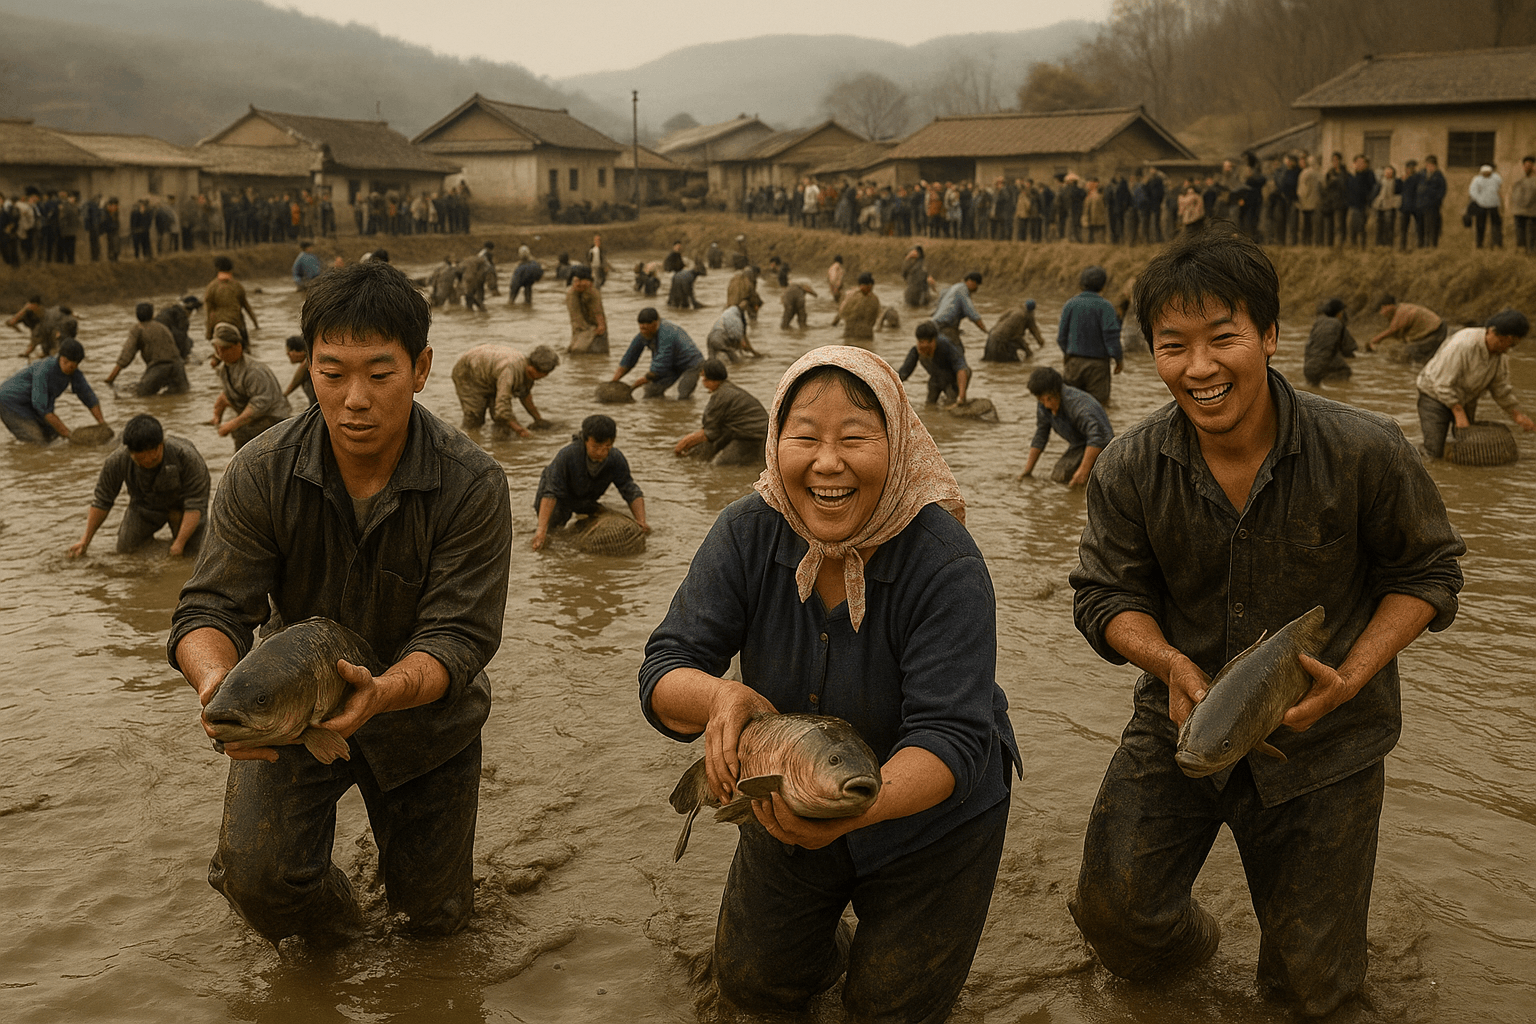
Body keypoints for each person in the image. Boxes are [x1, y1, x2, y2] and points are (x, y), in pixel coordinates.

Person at [1067, 225, 1466, 1018]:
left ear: (1270, 336)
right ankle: (1196, 959)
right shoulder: (1129, 465)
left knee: (1314, 992)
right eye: (1173, 346)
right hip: (1183, 721)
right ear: (1151, 352)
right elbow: (1105, 596)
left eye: (1223, 339)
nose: (1200, 367)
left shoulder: (1366, 449)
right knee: (1116, 919)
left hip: (1329, 738)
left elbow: (1429, 573)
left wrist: (1352, 676)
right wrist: (1171, 664)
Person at [640, 346, 1019, 1022]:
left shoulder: (947, 564)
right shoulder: (747, 534)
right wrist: (720, 695)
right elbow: (665, 668)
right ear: (775, 442)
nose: (827, 463)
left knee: (887, 1009)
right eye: (805, 437)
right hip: (791, 792)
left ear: (897, 445)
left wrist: (855, 810)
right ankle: (831, 942)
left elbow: (953, 736)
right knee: (754, 986)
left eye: (854, 439)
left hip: (933, 821)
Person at [170, 259, 511, 948]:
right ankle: (341, 931)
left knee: (433, 929)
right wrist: (215, 681)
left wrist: (384, 691)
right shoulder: (259, 471)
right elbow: (209, 610)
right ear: (308, 369)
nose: (355, 398)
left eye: (379, 374)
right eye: (333, 373)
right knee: (256, 879)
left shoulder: (473, 484)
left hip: (426, 719)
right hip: (293, 710)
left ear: (420, 369)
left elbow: (460, 636)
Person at [67, 414, 208, 558]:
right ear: (129, 452)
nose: (147, 462)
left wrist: (179, 545)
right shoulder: (117, 460)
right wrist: (85, 541)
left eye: (153, 459)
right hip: (145, 506)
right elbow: (102, 500)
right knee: (127, 551)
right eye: (141, 461)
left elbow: (196, 505)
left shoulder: (187, 457)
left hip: (183, 508)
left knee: (196, 554)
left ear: (161, 445)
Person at [1415, 309, 1536, 458]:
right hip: (1433, 395)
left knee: (1468, 446)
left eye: (1512, 345)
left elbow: (1500, 389)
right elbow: (1442, 384)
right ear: (1493, 333)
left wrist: (1517, 415)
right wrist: (1459, 413)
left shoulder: (1500, 355)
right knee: (1433, 450)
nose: (1508, 349)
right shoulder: (1463, 344)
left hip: (1465, 398)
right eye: (1509, 343)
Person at [531, 414, 649, 551]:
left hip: (585, 498)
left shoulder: (615, 458)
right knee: (553, 533)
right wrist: (540, 531)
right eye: (596, 446)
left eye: (607, 446)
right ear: (585, 440)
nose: (601, 452)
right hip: (559, 499)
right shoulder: (567, 455)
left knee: (604, 519)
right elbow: (550, 493)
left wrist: (642, 522)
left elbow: (630, 489)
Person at [1016, 365, 1113, 487]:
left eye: (1049, 399)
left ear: (1057, 392)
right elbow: (1041, 436)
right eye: (1041, 400)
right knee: (1059, 477)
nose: (1046, 405)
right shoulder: (1043, 406)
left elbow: (1098, 438)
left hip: (1105, 447)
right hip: (1080, 445)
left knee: (1095, 482)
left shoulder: (1080, 405)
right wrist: (1027, 471)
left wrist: (1083, 471)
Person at [0, 337, 107, 443]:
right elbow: (41, 407)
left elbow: (88, 396)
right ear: (61, 358)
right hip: (10, 401)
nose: (70, 368)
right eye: (68, 364)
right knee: (36, 440)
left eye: (74, 366)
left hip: (31, 402)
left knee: (53, 437)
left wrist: (102, 424)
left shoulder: (74, 372)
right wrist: (68, 434)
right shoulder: (44, 370)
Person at [209, 322, 291, 450]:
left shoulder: (254, 371)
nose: (220, 353)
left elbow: (259, 405)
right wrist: (216, 416)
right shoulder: (225, 369)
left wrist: (232, 424)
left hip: (274, 419)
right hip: (254, 420)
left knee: (241, 431)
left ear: (238, 346)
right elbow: (226, 395)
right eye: (217, 348)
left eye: (225, 348)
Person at [673, 358, 768, 466]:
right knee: (700, 453)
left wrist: (682, 445)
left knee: (718, 466)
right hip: (746, 432)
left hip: (753, 438)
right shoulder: (726, 389)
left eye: (704, 376)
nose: (702, 380)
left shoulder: (721, 396)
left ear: (712, 378)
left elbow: (709, 433)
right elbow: (714, 431)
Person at [451, 343, 558, 439]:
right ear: (534, 369)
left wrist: (538, 420)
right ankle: (467, 441)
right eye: (546, 373)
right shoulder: (510, 371)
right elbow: (502, 407)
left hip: (489, 375)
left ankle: (500, 448)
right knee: (475, 418)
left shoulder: (527, 372)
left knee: (502, 422)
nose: (546, 376)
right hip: (468, 374)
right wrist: (521, 430)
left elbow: (525, 395)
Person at [1057, 266, 1124, 406]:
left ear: (1081, 284)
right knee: (1099, 407)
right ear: (1103, 285)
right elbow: (1111, 337)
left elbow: (1061, 337)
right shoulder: (1106, 307)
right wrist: (1118, 359)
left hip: (1073, 363)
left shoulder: (1070, 304)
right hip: (1098, 366)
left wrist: (1068, 355)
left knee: (1071, 404)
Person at [613, 308, 704, 399]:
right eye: (641, 324)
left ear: (656, 323)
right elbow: (630, 357)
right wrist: (614, 381)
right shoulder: (643, 335)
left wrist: (634, 386)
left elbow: (660, 365)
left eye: (647, 324)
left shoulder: (667, 333)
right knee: (651, 391)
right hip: (672, 365)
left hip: (691, 364)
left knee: (683, 394)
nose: (643, 328)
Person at [105, 303, 189, 396]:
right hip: (178, 367)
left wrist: (110, 379)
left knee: (141, 396)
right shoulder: (162, 327)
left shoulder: (138, 329)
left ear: (137, 316)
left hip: (158, 367)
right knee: (180, 396)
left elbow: (126, 355)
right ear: (152, 315)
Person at [897, 320, 970, 406]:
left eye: (924, 344)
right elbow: (904, 372)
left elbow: (961, 369)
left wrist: (961, 396)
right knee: (929, 405)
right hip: (936, 377)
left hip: (954, 378)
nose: (921, 348)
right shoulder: (916, 351)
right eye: (919, 342)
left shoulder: (946, 346)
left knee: (953, 404)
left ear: (933, 341)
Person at [1366, 295, 1447, 362]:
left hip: (1437, 330)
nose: (1382, 313)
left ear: (1389, 306)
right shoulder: (1401, 310)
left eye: (1382, 309)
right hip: (1434, 330)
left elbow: (1392, 330)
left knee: (1409, 352)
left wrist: (1374, 341)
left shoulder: (1402, 311)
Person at [203, 256, 259, 344]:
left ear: (217, 269)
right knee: (246, 350)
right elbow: (247, 308)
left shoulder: (211, 287)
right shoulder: (237, 286)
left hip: (218, 325)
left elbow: (208, 312)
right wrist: (256, 325)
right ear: (231, 269)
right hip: (236, 324)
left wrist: (208, 333)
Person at [1303, 298, 1357, 385]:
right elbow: (1349, 348)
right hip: (1323, 369)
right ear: (1340, 313)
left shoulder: (1318, 321)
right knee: (1345, 371)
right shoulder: (1338, 324)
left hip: (1308, 368)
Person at [930, 272, 987, 350]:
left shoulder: (954, 287)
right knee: (958, 351)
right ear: (970, 281)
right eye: (976, 285)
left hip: (935, 324)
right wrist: (985, 331)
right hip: (944, 326)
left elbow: (939, 302)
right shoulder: (962, 291)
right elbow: (972, 313)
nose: (976, 288)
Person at [565, 266, 608, 354]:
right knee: (576, 351)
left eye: (581, 281)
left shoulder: (593, 293)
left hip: (595, 329)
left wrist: (601, 325)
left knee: (596, 354)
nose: (578, 284)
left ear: (590, 282)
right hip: (581, 329)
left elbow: (598, 312)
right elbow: (576, 318)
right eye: (576, 281)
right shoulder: (572, 294)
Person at [832, 272, 880, 343]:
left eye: (870, 286)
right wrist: (835, 322)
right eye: (867, 285)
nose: (870, 287)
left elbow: (876, 315)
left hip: (866, 334)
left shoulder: (874, 298)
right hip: (851, 333)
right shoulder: (852, 295)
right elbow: (842, 310)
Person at [1468, 163, 1503, 249]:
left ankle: (1497, 244)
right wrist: (1479, 199)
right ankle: (1479, 243)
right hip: (1481, 205)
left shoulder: (1496, 178)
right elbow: (1472, 191)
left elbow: (1499, 187)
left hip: (1494, 204)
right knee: (1480, 225)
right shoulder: (1477, 180)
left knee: (1496, 225)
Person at [1511, 156, 1536, 255]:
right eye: (1526, 165)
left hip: (1532, 211)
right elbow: (1513, 191)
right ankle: (1522, 251)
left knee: (1532, 233)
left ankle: (1532, 251)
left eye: (1530, 165)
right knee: (1519, 232)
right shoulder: (1518, 178)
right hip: (1518, 210)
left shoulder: (1534, 179)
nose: (1527, 168)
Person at [284, 334, 316, 407]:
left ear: (301, 352)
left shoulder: (311, 362)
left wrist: (285, 394)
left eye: (289, 351)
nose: (287, 354)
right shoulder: (308, 367)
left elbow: (305, 365)